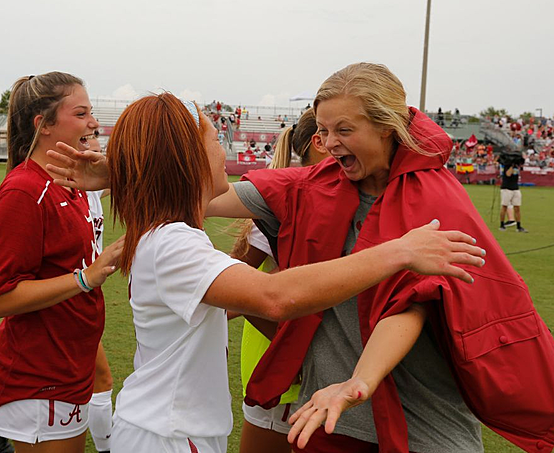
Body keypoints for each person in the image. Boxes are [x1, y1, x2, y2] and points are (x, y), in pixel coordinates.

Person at [45, 93, 485, 453]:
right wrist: (399, 252)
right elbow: (276, 297)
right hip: (168, 435)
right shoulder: (173, 242)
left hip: (171, 430)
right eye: (214, 140)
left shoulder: (167, 232)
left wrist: (124, 173)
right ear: (189, 157)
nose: (223, 150)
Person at [207, 63, 551, 453]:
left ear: (387, 125)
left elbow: (412, 305)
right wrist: (154, 217)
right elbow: (207, 200)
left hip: (425, 429)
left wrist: (360, 383)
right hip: (326, 420)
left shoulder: (436, 202)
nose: (329, 142)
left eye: (344, 130)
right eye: (322, 130)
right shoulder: (312, 187)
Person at [0, 72, 123, 453]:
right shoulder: (23, 191)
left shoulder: (69, 183)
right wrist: (85, 278)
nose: (93, 123)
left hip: (68, 367)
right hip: (38, 376)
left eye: (91, 112)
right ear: (42, 125)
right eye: (81, 113)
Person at [231, 108, 329, 453]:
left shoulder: (329, 196)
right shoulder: (288, 199)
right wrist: (293, 353)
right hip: (281, 359)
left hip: (314, 361)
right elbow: (232, 293)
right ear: (318, 144)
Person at [85, 131, 114, 453]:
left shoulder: (91, 191)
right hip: (70, 298)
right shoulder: (64, 191)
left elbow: (122, 181)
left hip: (88, 298)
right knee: (101, 380)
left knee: (73, 382)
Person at [499, 157, 527, 232]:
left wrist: (517, 164)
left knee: (517, 207)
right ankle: (501, 225)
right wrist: (512, 165)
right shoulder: (506, 166)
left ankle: (519, 226)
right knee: (504, 206)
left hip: (515, 188)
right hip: (506, 188)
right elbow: (508, 174)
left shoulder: (517, 166)